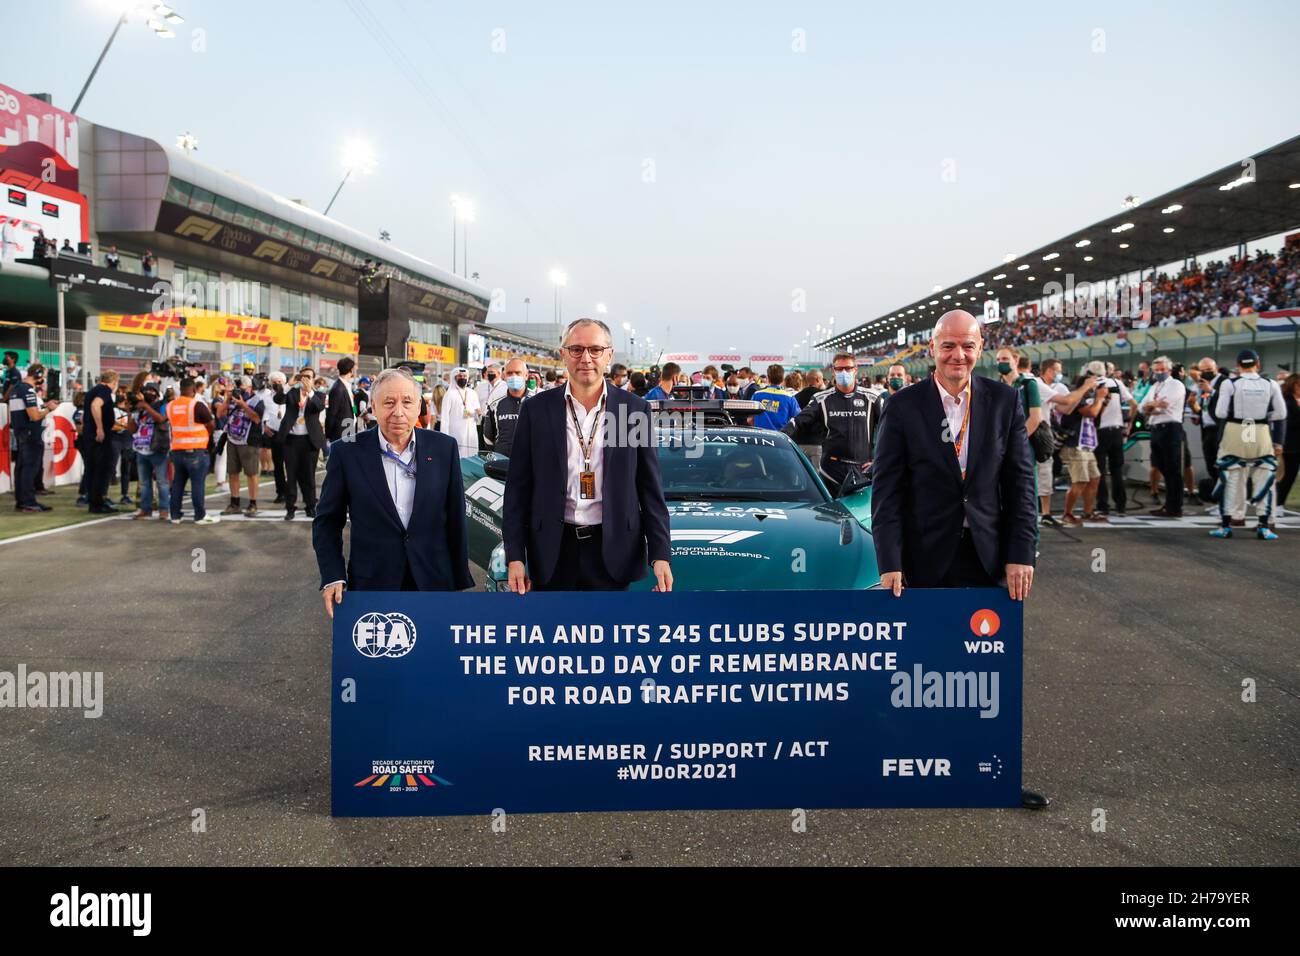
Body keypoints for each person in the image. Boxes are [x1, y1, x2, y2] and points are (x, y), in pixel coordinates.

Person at [870, 310, 1044, 810]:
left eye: (967, 345)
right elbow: (888, 491)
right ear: (932, 349)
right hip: (924, 559)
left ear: (980, 347)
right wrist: (890, 561)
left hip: (988, 559)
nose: (958, 355)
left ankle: (993, 776)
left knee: (987, 674)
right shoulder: (903, 406)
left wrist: (1020, 552)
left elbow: (1021, 484)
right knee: (921, 670)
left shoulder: (1004, 400)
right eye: (948, 346)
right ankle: (919, 768)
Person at [503, 317, 672, 593]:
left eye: (595, 349)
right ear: (563, 355)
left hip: (613, 551)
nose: (586, 358)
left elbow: (649, 488)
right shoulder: (536, 410)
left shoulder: (632, 411)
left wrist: (660, 553)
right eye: (576, 349)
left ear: (609, 355)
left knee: (608, 634)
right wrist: (515, 556)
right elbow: (517, 491)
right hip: (552, 551)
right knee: (554, 634)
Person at [314, 367, 473, 616]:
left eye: (407, 402)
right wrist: (333, 576)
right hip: (372, 584)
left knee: (434, 655)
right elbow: (326, 522)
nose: (398, 412)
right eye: (388, 402)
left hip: (434, 581)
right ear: (373, 407)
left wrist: (460, 579)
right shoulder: (346, 453)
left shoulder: (444, 448)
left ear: (419, 406)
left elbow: (455, 517)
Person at [1209, 349, 1286, 540]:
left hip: (1237, 429)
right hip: (1259, 430)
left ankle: (1226, 525)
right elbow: (1281, 414)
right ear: (1257, 363)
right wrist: (1263, 417)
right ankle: (1263, 525)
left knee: (1231, 478)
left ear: (1238, 364)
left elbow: (1219, 413)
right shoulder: (1270, 384)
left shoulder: (1229, 383)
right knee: (1264, 477)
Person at [783, 353, 881, 494]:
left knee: (862, 515)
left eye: (848, 368)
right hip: (831, 471)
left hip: (864, 471)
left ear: (855, 369)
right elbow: (798, 422)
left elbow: (889, 430)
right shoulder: (821, 399)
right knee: (830, 514)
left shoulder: (872, 398)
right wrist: (780, 437)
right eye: (839, 369)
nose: (844, 372)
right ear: (833, 371)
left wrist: (878, 459)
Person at [1055, 368, 1108, 525]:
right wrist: (1099, 398)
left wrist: (1102, 401)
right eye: (1092, 385)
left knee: (1094, 478)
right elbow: (1091, 413)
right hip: (1073, 445)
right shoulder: (1076, 399)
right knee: (1080, 481)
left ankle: (1087, 512)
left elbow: (1096, 415)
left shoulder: (1085, 399)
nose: (1094, 388)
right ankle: (1067, 513)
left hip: (1086, 445)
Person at [275, 367, 326, 520]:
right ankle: (290, 508)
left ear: (313, 379)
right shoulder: (291, 393)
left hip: (309, 440)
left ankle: (310, 506)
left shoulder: (318, 394)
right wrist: (289, 384)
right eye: (302, 376)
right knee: (291, 475)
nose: (305, 379)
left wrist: (310, 391)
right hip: (291, 440)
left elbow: (319, 406)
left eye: (308, 377)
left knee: (309, 476)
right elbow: (278, 399)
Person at [167, 377, 218, 524]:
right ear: (194, 390)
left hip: (177, 450)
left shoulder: (171, 405)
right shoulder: (196, 404)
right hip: (196, 449)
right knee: (197, 483)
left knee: (178, 484)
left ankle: (175, 515)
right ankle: (200, 515)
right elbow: (210, 424)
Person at [8, 364, 58, 513]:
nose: (43, 379)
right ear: (37, 374)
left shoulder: (16, 388)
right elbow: (34, 416)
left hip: (22, 433)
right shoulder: (28, 390)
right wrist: (49, 409)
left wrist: (44, 405)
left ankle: (23, 501)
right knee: (30, 469)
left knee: (22, 468)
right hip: (31, 434)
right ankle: (28, 501)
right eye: (43, 375)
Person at [1142, 355, 1187, 517]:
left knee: (1173, 468)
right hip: (1156, 428)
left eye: (1162, 370)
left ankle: (1175, 506)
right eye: (1156, 370)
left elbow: (1164, 405)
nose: (1159, 372)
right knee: (1160, 465)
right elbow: (1143, 407)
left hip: (1170, 427)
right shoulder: (1155, 387)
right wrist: (1152, 406)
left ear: (1169, 370)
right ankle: (1169, 503)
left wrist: (1151, 406)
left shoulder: (1176, 384)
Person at [216, 375, 264, 516]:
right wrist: (227, 397)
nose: (239, 390)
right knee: (232, 473)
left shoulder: (257, 400)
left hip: (248, 442)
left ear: (249, 388)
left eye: (242, 387)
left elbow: (256, 419)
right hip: (232, 439)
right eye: (238, 387)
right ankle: (234, 503)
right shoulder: (232, 398)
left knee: (251, 474)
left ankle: (252, 504)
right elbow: (219, 414)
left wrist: (243, 404)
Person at [126, 380, 170, 519]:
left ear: (157, 394)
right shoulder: (139, 408)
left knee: (162, 481)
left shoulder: (162, 405)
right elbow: (132, 430)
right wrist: (130, 412)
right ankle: (145, 508)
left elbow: (161, 419)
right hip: (141, 449)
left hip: (157, 448)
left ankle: (164, 509)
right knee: (144, 482)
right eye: (146, 391)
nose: (148, 393)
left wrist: (147, 407)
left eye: (151, 391)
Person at [84, 370, 120, 514]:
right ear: (114, 382)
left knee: (92, 469)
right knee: (101, 469)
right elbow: (95, 405)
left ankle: (94, 502)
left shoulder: (92, 390)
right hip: (99, 437)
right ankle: (98, 503)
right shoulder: (104, 390)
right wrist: (100, 428)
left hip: (90, 435)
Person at [483, 358, 528, 457]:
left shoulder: (538, 402)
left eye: (517, 373)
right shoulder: (495, 404)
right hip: (502, 461)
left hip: (530, 463)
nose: (513, 376)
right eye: (509, 373)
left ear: (526, 375)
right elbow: (488, 437)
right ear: (504, 376)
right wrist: (498, 451)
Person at [439, 367, 481, 458]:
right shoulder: (449, 394)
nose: (462, 378)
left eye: (464, 376)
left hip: (471, 434)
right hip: (456, 434)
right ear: (455, 378)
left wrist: (476, 413)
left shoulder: (473, 393)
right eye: (460, 376)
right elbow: (445, 418)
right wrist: (444, 438)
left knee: (472, 457)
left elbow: (478, 416)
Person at [1276, 372, 1300, 516]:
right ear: (1293, 385)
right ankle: (1278, 503)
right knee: (1287, 476)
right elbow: (1287, 422)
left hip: (1296, 444)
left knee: (1289, 476)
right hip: (1290, 445)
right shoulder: (1286, 400)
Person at [324, 356, 357, 445]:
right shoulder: (338, 388)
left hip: (349, 427)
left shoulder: (347, 386)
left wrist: (356, 413)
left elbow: (352, 405)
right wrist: (328, 435)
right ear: (351, 370)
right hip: (341, 430)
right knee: (344, 457)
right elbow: (331, 413)